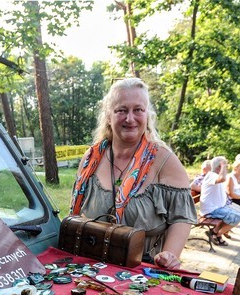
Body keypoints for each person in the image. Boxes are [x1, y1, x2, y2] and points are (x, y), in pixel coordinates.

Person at [69, 78, 196, 269]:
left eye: (138, 110)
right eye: (121, 110)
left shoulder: (165, 161)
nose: (130, 118)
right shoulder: (91, 159)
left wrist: (169, 255)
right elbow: (76, 216)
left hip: (142, 271)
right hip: (89, 265)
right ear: (109, 116)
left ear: (147, 115)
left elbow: (182, 217)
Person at [198, 156, 240, 246]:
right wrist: (223, 165)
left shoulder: (215, 175)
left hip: (218, 207)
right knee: (237, 217)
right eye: (225, 166)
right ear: (219, 167)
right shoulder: (211, 175)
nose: (227, 168)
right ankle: (216, 234)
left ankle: (215, 232)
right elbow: (222, 178)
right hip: (210, 210)